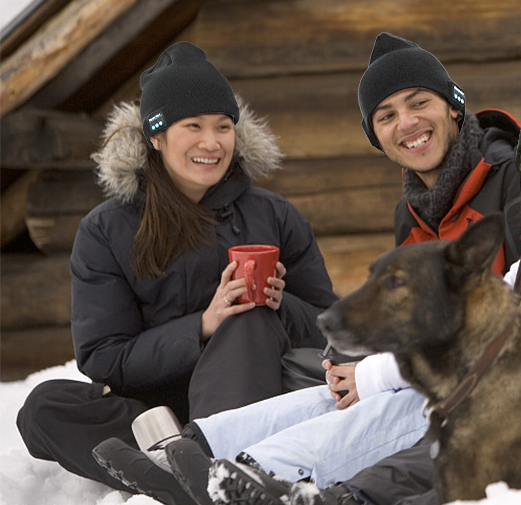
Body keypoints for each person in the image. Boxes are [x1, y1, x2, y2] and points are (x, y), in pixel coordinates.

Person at [201, 89, 521, 505]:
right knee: (341, 391)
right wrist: (367, 372)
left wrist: (376, 374)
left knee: (406, 396)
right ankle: (204, 445)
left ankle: (265, 471)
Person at [15, 42, 338, 505]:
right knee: (45, 408)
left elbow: (331, 329)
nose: (212, 142)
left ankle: (196, 469)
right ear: (156, 136)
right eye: (194, 126)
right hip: (156, 411)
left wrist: (279, 305)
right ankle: (194, 469)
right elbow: (103, 357)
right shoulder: (107, 229)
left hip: (255, 393)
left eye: (223, 127)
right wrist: (203, 327)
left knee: (249, 319)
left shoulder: (275, 215)